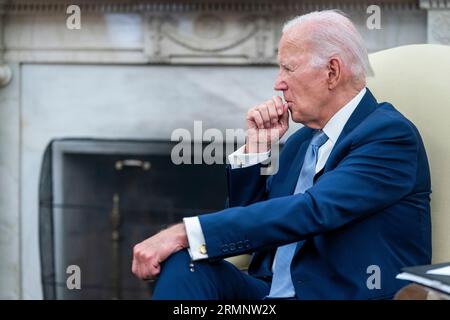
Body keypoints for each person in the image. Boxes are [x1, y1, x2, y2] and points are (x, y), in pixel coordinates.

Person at [131, 10, 431, 300]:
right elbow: (250, 233)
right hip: (269, 291)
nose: (278, 83)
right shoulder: (301, 142)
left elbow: (312, 211)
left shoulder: (388, 136)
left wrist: (185, 232)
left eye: (289, 68)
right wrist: (256, 150)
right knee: (188, 264)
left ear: (332, 71)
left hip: (338, 294)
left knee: (189, 243)